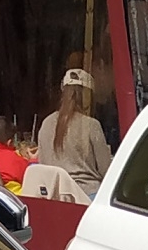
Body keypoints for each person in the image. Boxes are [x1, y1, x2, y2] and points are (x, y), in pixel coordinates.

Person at [36, 69, 113, 198]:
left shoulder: (46, 123)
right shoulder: (91, 125)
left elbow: (43, 165)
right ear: (87, 96)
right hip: (88, 195)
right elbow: (106, 171)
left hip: (55, 197)